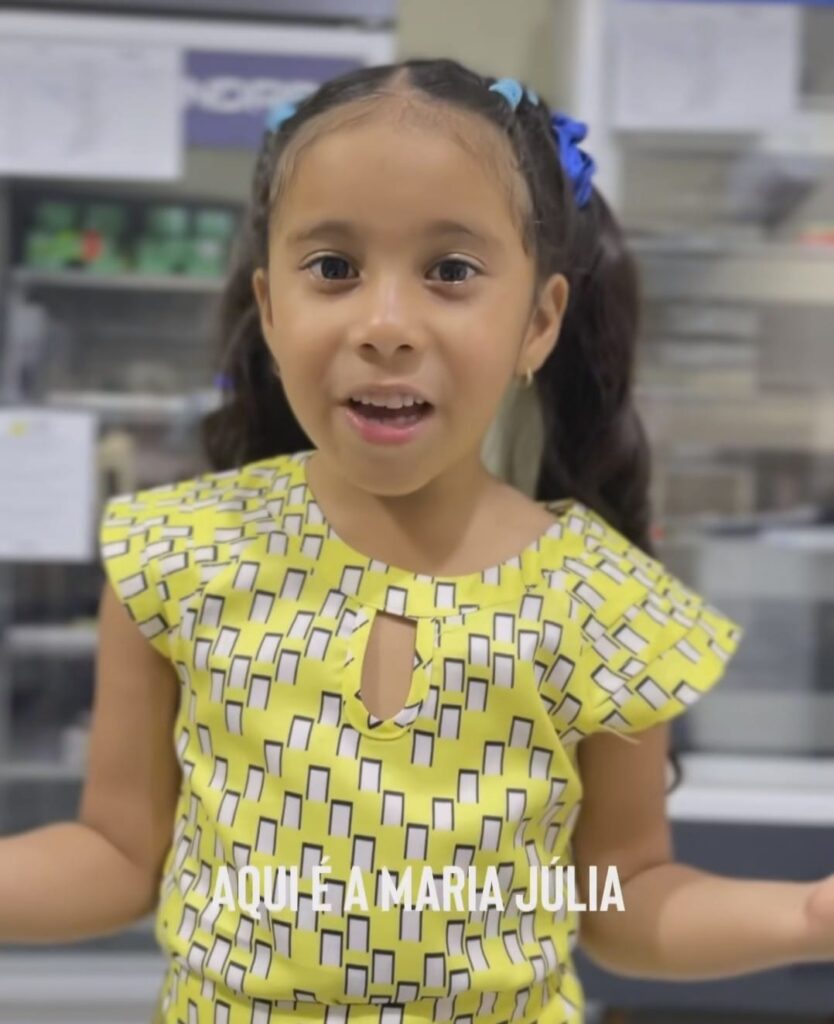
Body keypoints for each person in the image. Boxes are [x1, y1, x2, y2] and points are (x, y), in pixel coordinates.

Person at [2, 57, 832, 1024]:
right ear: (271, 309)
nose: (386, 325)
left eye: (451, 271)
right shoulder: (177, 559)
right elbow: (114, 854)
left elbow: (623, 895)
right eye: (333, 268)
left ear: (538, 323)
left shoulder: (605, 606)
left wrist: (808, 916)